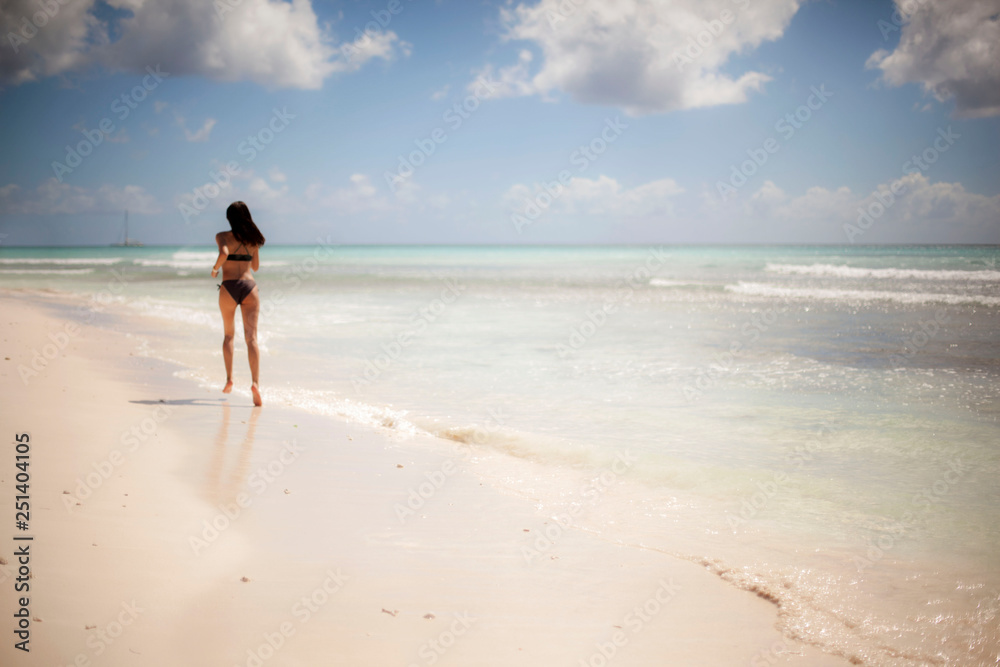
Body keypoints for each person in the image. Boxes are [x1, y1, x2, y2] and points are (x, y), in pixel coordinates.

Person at [211, 201, 265, 406]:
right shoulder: (253, 239)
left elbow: (224, 253)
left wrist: (215, 269)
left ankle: (229, 379)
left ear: (229, 219)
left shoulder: (222, 236)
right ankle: (255, 384)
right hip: (249, 287)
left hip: (228, 287)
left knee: (228, 335)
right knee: (251, 338)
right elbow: (256, 267)